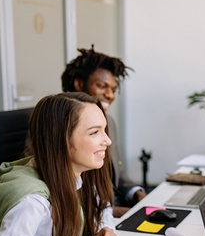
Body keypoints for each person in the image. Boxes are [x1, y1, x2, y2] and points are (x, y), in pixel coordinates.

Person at [0, 92, 120, 236]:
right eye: (94, 132)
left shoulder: (80, 174)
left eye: (104, 130)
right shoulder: (31, 203)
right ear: (61, 140)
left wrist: (104, 229)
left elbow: (102, 206)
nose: (107, 140)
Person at [61, 47, 146, 218]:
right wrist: (107, 212)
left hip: (113, 211)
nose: (110, 95)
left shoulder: (109, 122)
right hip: (84, 218)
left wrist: (139, 195)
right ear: (79, 83)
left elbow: (118, 172)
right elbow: (52, 185)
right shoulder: (55, 124)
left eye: (113, 90)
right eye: (102, 86)